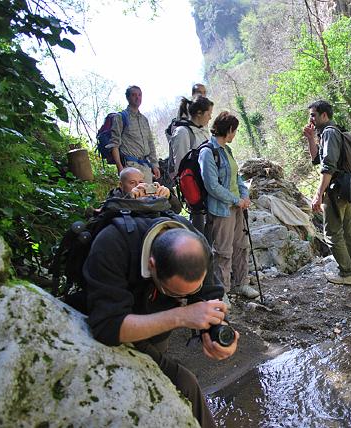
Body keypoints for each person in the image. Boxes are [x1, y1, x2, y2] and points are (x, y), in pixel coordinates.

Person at [84, 216, 238, 428]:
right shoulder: (113, 244)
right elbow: (107, 327)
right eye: (173, 293)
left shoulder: (196, 246)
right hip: (110, 328)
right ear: (151, 265)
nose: (181, 299)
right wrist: (181, 316)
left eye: (191, 291)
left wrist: (218, 329)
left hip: (154, 332)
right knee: (182, 382)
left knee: (179, 383)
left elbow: (209, 296)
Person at [200, 111, 259, 300]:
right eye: (235, 131)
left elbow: (237, 177)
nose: (235, 135)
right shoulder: (207, 152)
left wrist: (244, 195)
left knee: (241, 246)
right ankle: (222, 292)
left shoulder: (227, 150)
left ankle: (242, 283)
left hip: (237, 207)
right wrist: (236, 200)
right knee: (223, 251)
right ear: (229, 130)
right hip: (221, 210)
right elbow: (212, 186)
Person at [303, 100, 351, 285]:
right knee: (348, 231)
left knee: (333, 233)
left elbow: (327, 167)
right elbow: (315, 160)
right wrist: (310, 138)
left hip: (336, 190)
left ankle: (346, 274)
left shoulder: (329, 133)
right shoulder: (333, 131)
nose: (310, 118)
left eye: (313, 114)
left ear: (324, 115)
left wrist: (319, 194)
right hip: (347, 188)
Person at [169, 96, 214, 234]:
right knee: (199, 226)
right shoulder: (183, 132)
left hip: (208, 186)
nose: (210, 117)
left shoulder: (203, 131)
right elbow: (181, 166)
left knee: (211, 226)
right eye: (208, 114)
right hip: (195, 187)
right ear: (199, 113)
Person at [109, 85, 160, 184]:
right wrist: (120, 167)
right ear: (128, 97)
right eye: (134, 95)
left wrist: (154, 165)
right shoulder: (120, 117)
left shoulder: (144, 119)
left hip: (146, 167)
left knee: (149, 197)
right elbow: (114, 144)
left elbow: (150, 143)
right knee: (134, 197)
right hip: (130, 166)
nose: (138, 98)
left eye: (140, 95)